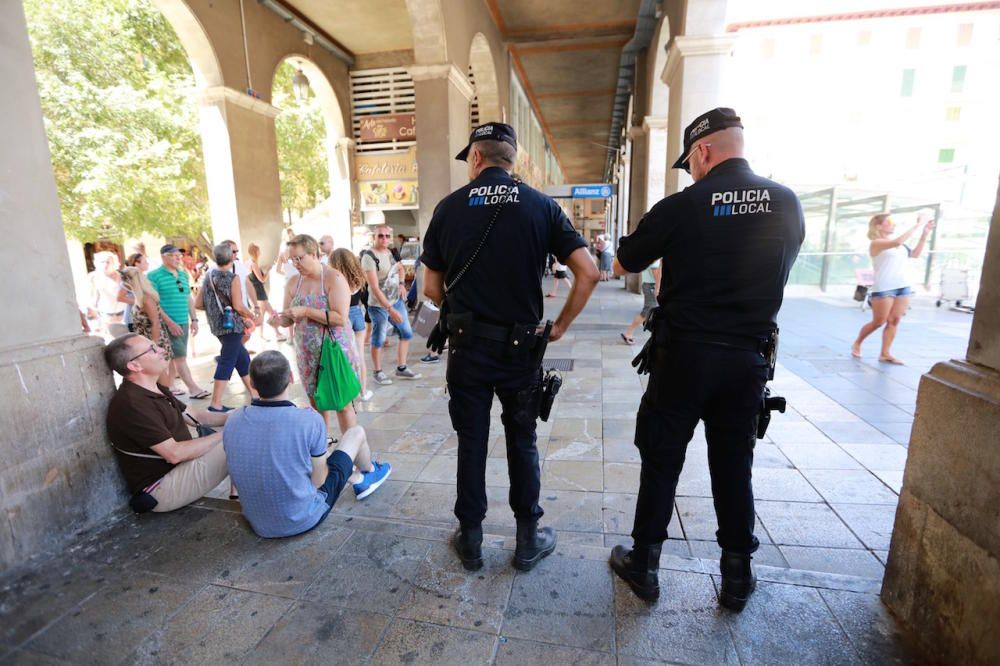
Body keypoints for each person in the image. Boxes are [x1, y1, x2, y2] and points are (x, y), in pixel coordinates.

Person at [609, 108, 804, 610]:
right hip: (746, 360)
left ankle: (646, 566)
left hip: (683, 359)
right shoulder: (786, 203)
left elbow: (625, 260)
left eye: (690, 162)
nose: (691, 171)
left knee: (662, 460)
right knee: (734, 465)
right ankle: (737, 577)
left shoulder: (683, 205)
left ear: (703, 151)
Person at [421, 122, 599, 572]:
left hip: (467, 350)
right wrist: (559, 326)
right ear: (512, 159)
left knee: (472, 441)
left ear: (476, 158)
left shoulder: (448, 208)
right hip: (522, 350)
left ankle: (473, 539)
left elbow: (431, 287)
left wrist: (464, 312)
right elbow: (589, 272)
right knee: (523, 440)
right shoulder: (542, 206)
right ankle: (526, 540)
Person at [223, 351, 391, 538]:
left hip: (258, 523)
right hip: (303, 519)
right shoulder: (308, 420)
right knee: (356, 433)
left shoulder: (234, 418)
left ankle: (360, 478)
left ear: (252, 383)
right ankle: (369, 474)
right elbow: (319, 482)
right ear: (291, 378)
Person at [104, 333, 230, 513]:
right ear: (134, 365)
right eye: (152, 349)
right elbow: (174, 454)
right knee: (240, 438)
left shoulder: (153, 388)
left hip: (178, 471)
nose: (162, 349)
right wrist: (228, 433)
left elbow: (193, 416)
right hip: (161, 489)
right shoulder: (132, 404)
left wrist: (232, 417)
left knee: (243, 423)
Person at [271, 234, 360, 437]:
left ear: (314, 254)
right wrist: (278, 320)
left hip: (334, 351)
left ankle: (351, 452)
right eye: (292, 259)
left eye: (299, 258)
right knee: (316, 403)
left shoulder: (334, 278)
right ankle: (322, 450)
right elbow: (289, 318)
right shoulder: (293, 282)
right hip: (307, 355)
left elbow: (340, 317)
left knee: (342, 402)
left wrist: (306, 312)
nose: (295, 263)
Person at [851, 212, 934, 364]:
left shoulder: (901, 244)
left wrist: (924, 233)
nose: (893, 224)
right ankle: (857, 342)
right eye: (889, 222)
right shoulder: (876, 243)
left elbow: (915, 254)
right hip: (884, 287)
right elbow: (896, 242)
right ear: (878, 226)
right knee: (879, 321)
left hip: (902, 286)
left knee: (894, 320)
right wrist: (918, 224)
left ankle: (885, 353)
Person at [195, 243, 257, 412]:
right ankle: (215, 403)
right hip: (232, 326)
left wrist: (215, 309)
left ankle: (255, 395)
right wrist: (251, 315)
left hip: (217, 326)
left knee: (242, 358)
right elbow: (238, 306)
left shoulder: (208, 276)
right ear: (232, 258)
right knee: (227, 361)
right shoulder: (232, 278)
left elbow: (198, 303)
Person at [362, 225, 422, 385]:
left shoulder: (391, 252)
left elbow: (401, 269)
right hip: (379, 305)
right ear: (374, 237)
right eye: (380, 236)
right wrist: (389, 309)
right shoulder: (369, 257)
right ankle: (377, 371)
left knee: (406, 333)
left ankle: (401, 367)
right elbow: (374, 287)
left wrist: (402, 284)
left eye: (387, 236)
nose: (384, 239)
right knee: (379, 338)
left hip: (396, 300)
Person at [147, 244, 207, 398]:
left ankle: (170, 386)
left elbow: (188, 298)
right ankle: (194, 389)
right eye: (173, 256)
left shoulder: (182, 274)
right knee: (180, 357)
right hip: (168, 323)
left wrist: (194, 319)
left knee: (175, 357)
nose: (177, 259)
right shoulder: (154, 275)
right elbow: (154, 302)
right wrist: (170, 323)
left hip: (183, 321)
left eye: (179, 256)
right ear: (163, 257)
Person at [329, 248, 374, 402]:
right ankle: (363, 392)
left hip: (344, 317)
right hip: (358, 316)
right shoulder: (358, 277)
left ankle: (347, 391)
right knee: (360, 355)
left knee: (345, 357)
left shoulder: (336, 281)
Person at [119, 267, 173, 368]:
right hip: (146, 343)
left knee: (162, 381)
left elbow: (155, 323)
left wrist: (153, 347)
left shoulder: (146, 299)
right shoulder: (139, 297)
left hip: (153, 343)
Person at [246, 242, 284, 343]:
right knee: (267, 313)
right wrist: (268, 271)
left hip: (257, 291)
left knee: (268, 312)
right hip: (259, 292)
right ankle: (273, 334)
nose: (260, 252)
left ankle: (273, 333)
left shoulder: (249, 262)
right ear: (255, 252)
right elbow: (262, 280)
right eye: (258, 250)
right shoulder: (254, 264)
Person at [621, 259, 661, 345]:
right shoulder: (655, 259)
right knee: (647, 311)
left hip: (651, 286)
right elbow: (656, 276)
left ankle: (656, 335)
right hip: (651, 286)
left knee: (655, 311)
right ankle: (628, 333)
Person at [88, 251, 124, 333]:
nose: (105, 264)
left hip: (124, 314)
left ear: (114, 263)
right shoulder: (93, 277)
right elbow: (91, 297)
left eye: (108, 262)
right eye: (102, 262)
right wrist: (96, 320)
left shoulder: (122, 276)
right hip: (105, 316)